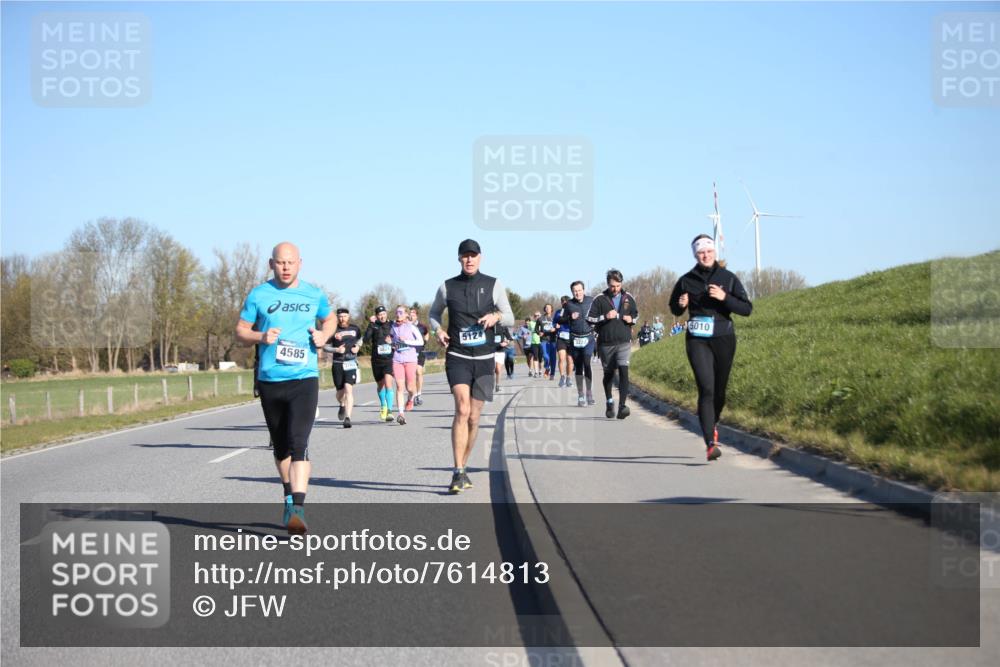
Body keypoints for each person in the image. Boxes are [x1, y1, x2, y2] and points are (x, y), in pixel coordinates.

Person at [235, 242, 335, 534]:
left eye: (291, 262)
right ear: (271, 264)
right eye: (280, 262)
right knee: (281, 447)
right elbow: (240, 331)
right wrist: (260, 335)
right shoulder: (259, 294)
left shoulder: (313, 294)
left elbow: (328, 320)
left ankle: (299, 510)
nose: (286, 267)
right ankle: (289, 497)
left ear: (300, 263)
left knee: (299, 442)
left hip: (304, 377)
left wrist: (322, 335)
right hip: (270, 380)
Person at [429, 239, 514, 494]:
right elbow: (433, 314)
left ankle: (463, 466)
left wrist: (495, 316)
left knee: (475, 418)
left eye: (473, 256)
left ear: (480, 258)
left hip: (485, 358)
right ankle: (457, 471)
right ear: (459, 258)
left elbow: (509, 315)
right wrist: (438, 330)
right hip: (458, 356)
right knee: (462, 409)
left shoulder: (493, 284)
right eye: (465, 256)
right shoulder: (447, 287)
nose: (469, 260)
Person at [669, 234, 752, 461]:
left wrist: (725, 297)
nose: (705, 255)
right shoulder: (686, 280)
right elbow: (674, 309)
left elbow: (746, 309)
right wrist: (681, 304)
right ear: (696, 255)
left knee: (719, 392)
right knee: (706, 388)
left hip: (724, 338)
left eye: (709, 251)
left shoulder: (728, 277)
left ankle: (711, 423)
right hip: (697, 339)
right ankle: (710, 443)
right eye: (701, 252)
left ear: (714, 253)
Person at [587, 268, 639, 419]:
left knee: (624, 371)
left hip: (623, 341)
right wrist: (604, 316)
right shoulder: (600, 299)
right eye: (612, 286)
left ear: (621, 283)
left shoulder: (628, 297)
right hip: (606, 343)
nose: (615, 289)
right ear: (607, 284)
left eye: (618, 285)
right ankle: (610, 401)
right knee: (608, 374)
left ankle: (622, 405)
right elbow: (589, 319)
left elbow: (636, 315)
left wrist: (632, 320)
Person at [325, 308, 362, 428]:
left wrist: (358, 347)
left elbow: (360, 340)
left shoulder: (355, 328)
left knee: (348, 389)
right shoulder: (333, 330)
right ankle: (341, 404)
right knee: (340, 393)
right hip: (337, 363)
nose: (342, 319)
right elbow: (325, 347)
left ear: (348, 316)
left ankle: (348, 417)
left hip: (350, 362)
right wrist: (336, 350)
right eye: (340, 316)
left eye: (344, 316)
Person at [390, 305, 424, 425]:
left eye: (401, 312)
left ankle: (410, 399)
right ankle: (401, 414)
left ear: (406, 314)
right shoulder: (393, 326)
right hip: (397, 359)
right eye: (397, 312)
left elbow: (421, 341)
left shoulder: (411, 327)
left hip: (410, 359)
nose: (398, 314)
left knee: (410, 388)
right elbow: (392, 340)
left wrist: (406, 341)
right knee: (400, 387)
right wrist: (391, 342)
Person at [565, 280, 596, 407]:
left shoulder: (591, 301)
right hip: (575, 339)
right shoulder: (568, 304)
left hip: (588, 338)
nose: (577, 293)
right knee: (578, 367)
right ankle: (581, 395)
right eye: (575, 291)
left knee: (587, 364)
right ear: (572, 292)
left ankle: (589, 392)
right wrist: (569, 317)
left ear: (584, 290)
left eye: (579, 290)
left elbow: (598, 315)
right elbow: (559, 320)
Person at [364, 305, 396, 422]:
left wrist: (392, 342)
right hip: (376, 360)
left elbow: (399, 338)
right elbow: (366, 339)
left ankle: (390, 411)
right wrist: (370, 324)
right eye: (379, 315)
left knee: (388, 384)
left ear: (386, 313)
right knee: (380, 385)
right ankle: (383, 405)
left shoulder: (392, 324)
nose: (382, 316)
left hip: (389, 359)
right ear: (376, 316)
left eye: (383, 314)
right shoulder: (374, 325)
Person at [408, 307, 430, 406]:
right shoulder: (406, 326)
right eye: (410, 314)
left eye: (413, 314)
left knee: (418, 372)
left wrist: (425, 341)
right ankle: (412, 394)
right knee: (410, 375)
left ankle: (418, 394)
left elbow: (427, 333)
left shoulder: (422, 326)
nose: (411, 316)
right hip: (409, 353)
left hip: (420, 352)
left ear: (416, 316)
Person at [553, 295, 575, 388]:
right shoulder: (558, 312)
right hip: (561, 338)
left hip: (571, 337)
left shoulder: (573, 312)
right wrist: (555, 326)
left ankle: (569, 378)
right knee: (562, 359)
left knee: (570, 360)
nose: (564, 303)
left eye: (566, 301)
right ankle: (562, 377)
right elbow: (554, 322)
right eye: (562, 301)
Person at [536, 304, 558, 380]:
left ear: (552, 309)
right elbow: (536, 329)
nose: (548, 309)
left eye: (549, 308)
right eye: (546, 308)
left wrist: (555, 330)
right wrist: (539, 332)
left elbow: (558, 328)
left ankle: (552, 374)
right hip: (544, 339)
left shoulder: (555, 318)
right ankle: (547, 367)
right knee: (545, 356)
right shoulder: (540, 319)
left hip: (553, 340)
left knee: (553, 358)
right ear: (544, 309)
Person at [492, 323, 513, 392]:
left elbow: (509, 338)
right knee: (491, 369)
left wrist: (506, 343)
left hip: (500, 350)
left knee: (498, 369)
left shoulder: (503, 326)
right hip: (490, 350)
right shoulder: (489, 325)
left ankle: (497, 385)